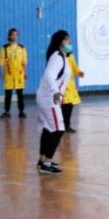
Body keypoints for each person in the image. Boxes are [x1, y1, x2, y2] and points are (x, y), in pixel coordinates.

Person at [35, 30, 72, 174]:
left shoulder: (63, 57)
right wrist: (56, 92)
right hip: (49, 98)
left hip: (49, 97)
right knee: (59, 129)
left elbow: (60, 79)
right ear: (60, 42)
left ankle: (42, 160)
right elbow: (49, 75)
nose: (69, 42)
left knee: (48, 129)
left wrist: (60, 94)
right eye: (67, 39)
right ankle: (46, 163)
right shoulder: (57, 56)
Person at [0, 28, 27, 119]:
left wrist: (25, 72)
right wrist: (1, 72)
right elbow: (1, 60)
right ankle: (7, 111)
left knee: (20, 93)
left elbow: (24, 61)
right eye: (12, 35)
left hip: (19, 74)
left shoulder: (21, 48)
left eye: (16, 35)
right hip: (9, 73)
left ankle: (21, 111)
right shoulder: (5, 48)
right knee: (8, 93)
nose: (14, 36)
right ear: (9, 36)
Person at [61, 52, 84, 133]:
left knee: (69, 105)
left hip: (70, 86)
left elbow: (74, 68)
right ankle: (60, 126)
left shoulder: (71, 56)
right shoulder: (57, 57)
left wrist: (79, 72)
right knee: (62, 106)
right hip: (61, 85)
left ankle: (66, 125)